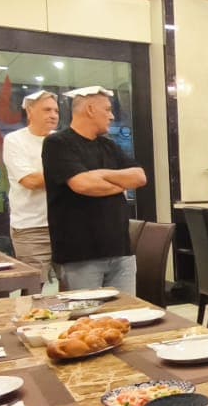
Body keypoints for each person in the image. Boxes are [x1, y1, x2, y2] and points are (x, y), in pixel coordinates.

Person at [42, 85, 147, 293]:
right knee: (87, 313)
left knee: (127, 311)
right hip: (80, 255)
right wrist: (120, 183)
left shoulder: (109, 146)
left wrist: (100, 174)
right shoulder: (57, 143)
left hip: (121, 251)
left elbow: (139, 177)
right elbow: (82, 184)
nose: (112, 116)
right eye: (107, 109)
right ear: (90, 109)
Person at [2, 90, 59, 281]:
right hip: (31, 228)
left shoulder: (62, 140)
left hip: (64, 224)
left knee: (72, 287)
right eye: (47, 110)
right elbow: (31, 181)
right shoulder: (14, 140)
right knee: (35, 286)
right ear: (29, 111)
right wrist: (69, 173)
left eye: (56, 111)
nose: (53, 115)